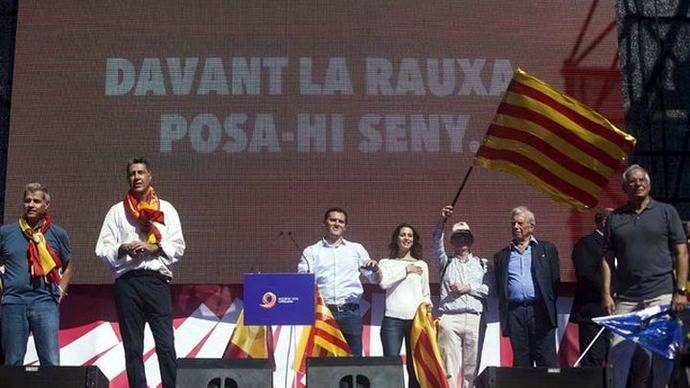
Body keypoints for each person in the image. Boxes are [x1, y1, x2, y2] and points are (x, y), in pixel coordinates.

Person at [95, 158, 185, 388]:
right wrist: (122, 248)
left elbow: (179, 247)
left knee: (165, 343)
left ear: (149, 176)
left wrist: (154, 247)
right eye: (132, 174)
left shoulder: (166, 209)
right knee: (133, 346)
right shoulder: (117, 211)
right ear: (128, 179)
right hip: (128, 282)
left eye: (141, 172)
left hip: (157, 281)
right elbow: (101, 250)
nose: (136, 177)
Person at [601, 164, 688, 388]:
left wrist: (680, 291)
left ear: (648, 185)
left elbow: (681, 252)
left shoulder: (666, 212)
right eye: (633, 181)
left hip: (661, 294)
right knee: (618, 352)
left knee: (662, 351)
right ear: (624, 187)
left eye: (642, 180)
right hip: (626, 298)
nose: (638, 184)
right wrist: (607, 294)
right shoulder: (615, 218)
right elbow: (607, 258)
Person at [0, 183, 73, 366]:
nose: (31, 205)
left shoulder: (58, 234)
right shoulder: (6, 233)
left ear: (46, 206)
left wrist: (61, 290)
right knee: (12, 362)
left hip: (45, 302)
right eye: (27, 201)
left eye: (36, 201)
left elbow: (69, 265)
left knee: (50, 362)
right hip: (13, 303)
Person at [297, 207, 379, 356]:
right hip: (323, 312)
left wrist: (375, 269)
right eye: (333, 220)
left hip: (350, 312)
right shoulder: (311, 251)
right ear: (325, 223)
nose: (337, 224)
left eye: (341, 221)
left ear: (345, 226)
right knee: (321, 360)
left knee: (353, 361)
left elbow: (374, 279)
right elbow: (302, 282)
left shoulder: (356, 249)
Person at [494, 206, 560, 367]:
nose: (515, 226)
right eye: (513, 223)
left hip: (540, 310)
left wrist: (546, 302)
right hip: (515, 312)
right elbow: (500, 286)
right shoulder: (501, 256)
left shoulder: (547, 249)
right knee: (521, 362)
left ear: (531, 227)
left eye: (520, 223)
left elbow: (554, 281)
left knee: (546, 360)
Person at [432, 205, 488, 388]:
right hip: (450, 317)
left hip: (474, 317)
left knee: (471, 367)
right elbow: (435, 241)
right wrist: (443, 220)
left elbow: (488, 289)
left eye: (465, 236)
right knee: (448, 364)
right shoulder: (445, 262)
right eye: (458, 237)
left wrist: (468, 288)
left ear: (471, 240)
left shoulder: (482, 263)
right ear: (452, 241)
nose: (462, 240)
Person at [376, 223, 431, 388]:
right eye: (403, 235)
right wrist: (406, 270)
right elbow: (383, 283)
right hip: (392, 320)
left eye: (410, 235)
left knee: (415, 365)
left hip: (416, 320)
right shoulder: (386, 262)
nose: (406, 238)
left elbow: (425, 293)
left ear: (414, 241)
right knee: (391, 364)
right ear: (396, 238)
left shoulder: (422, 265)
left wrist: (428, 307)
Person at [570, 208, 612, 366]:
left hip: (617, 313)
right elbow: (586, 274)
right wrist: (610, 290)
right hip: (594, 312)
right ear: (604, 222)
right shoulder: (587, 244)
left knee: (617, 360)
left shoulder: (618, 245)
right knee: (594, 359)